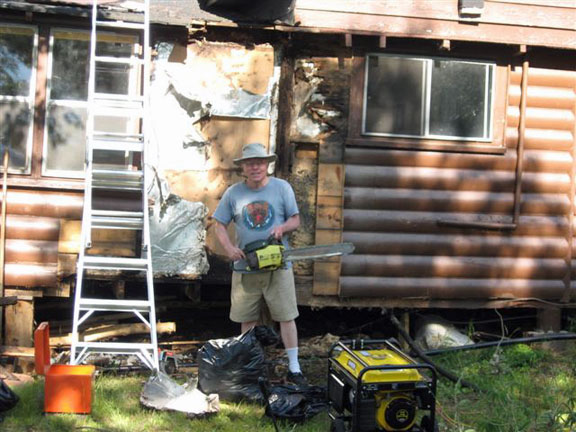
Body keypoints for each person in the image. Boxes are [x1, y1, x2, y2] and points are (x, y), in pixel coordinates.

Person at [212, 142, 306, 386]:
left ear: (267, 164)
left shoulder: (281, 188)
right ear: (243, 167)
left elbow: (295, 220)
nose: (255, 167)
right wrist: (229, 248)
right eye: (250, 163)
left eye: (260, 162)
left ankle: (294, 367)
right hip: (246, 266)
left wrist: (282, 228)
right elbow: (218, 224)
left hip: (278, 264)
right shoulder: (234, 193)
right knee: (247, 317)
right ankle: (248, 365)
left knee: (286, 316)